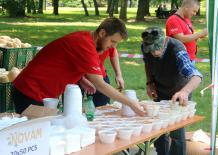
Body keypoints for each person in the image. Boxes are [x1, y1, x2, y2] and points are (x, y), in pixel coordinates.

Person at [12, 17, 145, 116]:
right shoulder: (84, 45)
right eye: (112, 41)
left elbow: (64, 60)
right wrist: (130, 103)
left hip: (42, 93)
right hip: (29, 91)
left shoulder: (85, 40)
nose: (113, 46)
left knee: (46, 134)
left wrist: (81, 78)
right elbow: (100, 84)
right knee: (37, 139)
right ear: (102, 33)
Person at [141, 27, 202, 155]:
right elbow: (148, 63)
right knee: (158, 128)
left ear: (164, 42)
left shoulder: (177, 48)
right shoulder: (146, 46)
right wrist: (150, 82)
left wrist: (184, 92)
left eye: (156, 49)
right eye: (151, 50)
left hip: (180, 91)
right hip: (160, 89)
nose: (154, 53)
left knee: (176, 131)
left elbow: (196, 76)